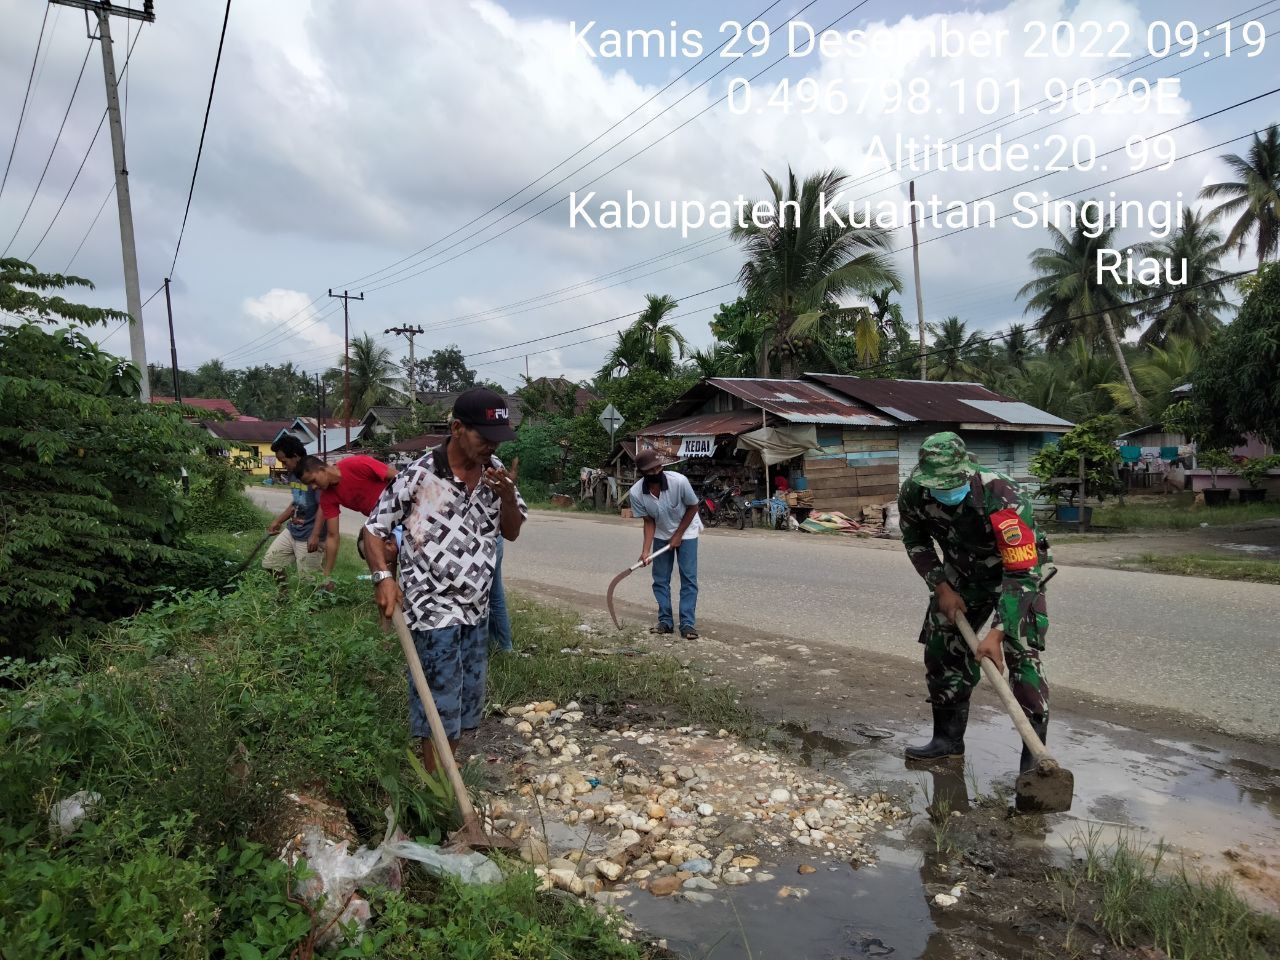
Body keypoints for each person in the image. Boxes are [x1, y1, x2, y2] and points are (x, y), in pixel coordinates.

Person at [365, 388, 526, 773]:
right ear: (457, 429)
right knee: (439, 700)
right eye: (484, 437)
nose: (492, 445)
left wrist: (507, 497)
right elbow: (374, 529)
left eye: (498, 438)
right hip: (430, 605)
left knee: (465, 702)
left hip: (476, 608)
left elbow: (511, 531)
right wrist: (383, 577)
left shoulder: (494, 473)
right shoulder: (419, 475)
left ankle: (446, 774)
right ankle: (438, 785)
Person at [898, 431, 1053, 773]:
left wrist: (997, 633)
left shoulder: (1003, 494)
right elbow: (915, 541)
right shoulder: (914, 492)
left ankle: (1034, 759)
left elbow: (1022, 573)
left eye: (951, 483)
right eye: (936, 484)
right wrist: (941, 587)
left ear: (966, 472)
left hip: (1015, 576)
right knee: (942, 647)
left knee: (1022, 654)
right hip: (961, 574)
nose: (944, 489)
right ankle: (947, 742)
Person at [628, 449, 702, 640]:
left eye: (658, 467)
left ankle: (687, 623)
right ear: (642, 472)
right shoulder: (636, 493)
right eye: (650, 470)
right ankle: (665, 621)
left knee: (688, 578)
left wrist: (678, 535)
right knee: (660, 579)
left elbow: (693, 507)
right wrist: (645, 551)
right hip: (661, 533)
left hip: (687, 531)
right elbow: (648, 522)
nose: (656, 472)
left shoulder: (679, 482)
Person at [298, 453, 398, 583]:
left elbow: (399, 477)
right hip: (382, 525)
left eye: (313, 481)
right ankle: (388, 586)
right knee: (366, 546)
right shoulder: (327, 496)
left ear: (322, 469)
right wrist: (326, 574)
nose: (314, 487)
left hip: (405, 512)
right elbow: (332, 535)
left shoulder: (356, 464)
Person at [261, 434, 324, 582]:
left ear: (296, 456)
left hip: (310, 535)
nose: (283, 466)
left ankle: (329, 590)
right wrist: (278, 521)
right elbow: (297, 502)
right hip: (292, 530)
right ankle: (283, 593)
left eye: (284, 461)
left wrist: (315, 535)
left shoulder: (315, 473)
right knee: (271, 563)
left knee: (310, 581)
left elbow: (325, 506)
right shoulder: (293, 474)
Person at [488, 536, 514, 653]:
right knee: (495, 595)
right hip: (494, 539)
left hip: (481, 541)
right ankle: (503, 645)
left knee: (493, 596)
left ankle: (502, 646)